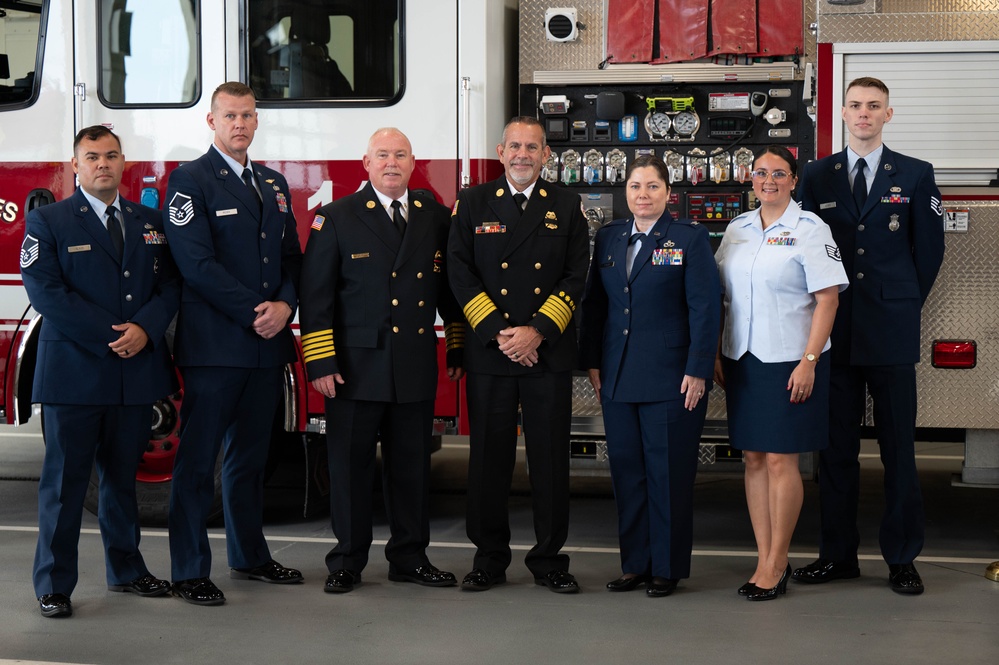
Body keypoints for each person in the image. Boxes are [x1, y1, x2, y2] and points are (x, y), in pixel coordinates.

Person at [21, 125, 180, 618]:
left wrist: (146, 330)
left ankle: (127, 570)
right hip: (76, 374)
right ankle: (53, 585)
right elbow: (46, 292)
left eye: (111, 156)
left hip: (135, 375)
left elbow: (172, 285)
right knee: (66, 484)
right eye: (92, 157)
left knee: (121, 482)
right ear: (75, 165)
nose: (102, 164)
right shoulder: (48, 222)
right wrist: (117, 334)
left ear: (124, 162)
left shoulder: (149, 220)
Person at [794, 77, 945, 595]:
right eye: (855, 105)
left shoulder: (917, 175)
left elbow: (928, 254)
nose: (863, 114)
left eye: (873, 106)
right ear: (842, 113)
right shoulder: (817, 176)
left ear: (889, 114)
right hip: (833, 332)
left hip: (890, 333)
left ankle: (902, 558)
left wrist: (899, 303)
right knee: (835, 453)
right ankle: (838, 555)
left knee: (899, 449)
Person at [298, 128, 464, 594]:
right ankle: (347, 561)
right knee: (349, 469)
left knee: (411, 468)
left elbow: (449, 287)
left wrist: (456, 341)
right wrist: (320, 362)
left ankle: (410, 557)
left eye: (401, 155)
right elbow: (316, 298)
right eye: (383, 155)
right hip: (353, 367)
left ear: (414, 163)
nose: (392, 162)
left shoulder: (433, 214)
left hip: (412, 363)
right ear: (365, 163)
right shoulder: (336, 217)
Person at [164, 82, 303, 606]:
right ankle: (189, 569)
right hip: (217, 345)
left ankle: (249, 555)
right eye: (230, 116)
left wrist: (286, 307)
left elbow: (291, 258)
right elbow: (196, 265)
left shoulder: (272, 182)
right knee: (198, 462)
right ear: (211, 122)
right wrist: (256, 312)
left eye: (247, 116)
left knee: (250, 458)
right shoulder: (190, 180)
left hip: (266, 345)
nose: (240, 124)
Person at [447, 116, 589, 593]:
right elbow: (460, 274)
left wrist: (538, 332)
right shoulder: (472, 202)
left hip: (546, 353)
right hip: (493, 353)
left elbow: (575, 277)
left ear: (547, 154)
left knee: (550, 461)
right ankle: (488, 559)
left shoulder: (568, 206)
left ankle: (549, 560)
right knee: (489, 459)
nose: (523, 154)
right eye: (515, 146)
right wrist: (501, 333)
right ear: (500, 151)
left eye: (532, 147)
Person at [579, 155, 720, 598]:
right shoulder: (608, 238)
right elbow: (595, 306)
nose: (643, 194)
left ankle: (667, 567)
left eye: (653, 186)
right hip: (618, 376)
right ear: (626, 192)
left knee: (668, 475)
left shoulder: (689, 238)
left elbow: (706, 306)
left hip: (672, 379)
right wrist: (593, 364)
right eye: (636, 186)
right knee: (627, 473)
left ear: (668, 193)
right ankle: (635, 564)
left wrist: (698, 369)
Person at [715, 146, 848, 601]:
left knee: (779, 461)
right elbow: (722, 298)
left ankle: (777, 561)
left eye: (779, 174)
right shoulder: (737, 229)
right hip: (744, 359)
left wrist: (810, 361)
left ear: (794, 180)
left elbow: (828, 299)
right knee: (753, 459)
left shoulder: (811, 228)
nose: (768, 180)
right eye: (760, 173)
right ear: (750, 179)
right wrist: (716, 352)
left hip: (791, 362)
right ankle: (764, 556)